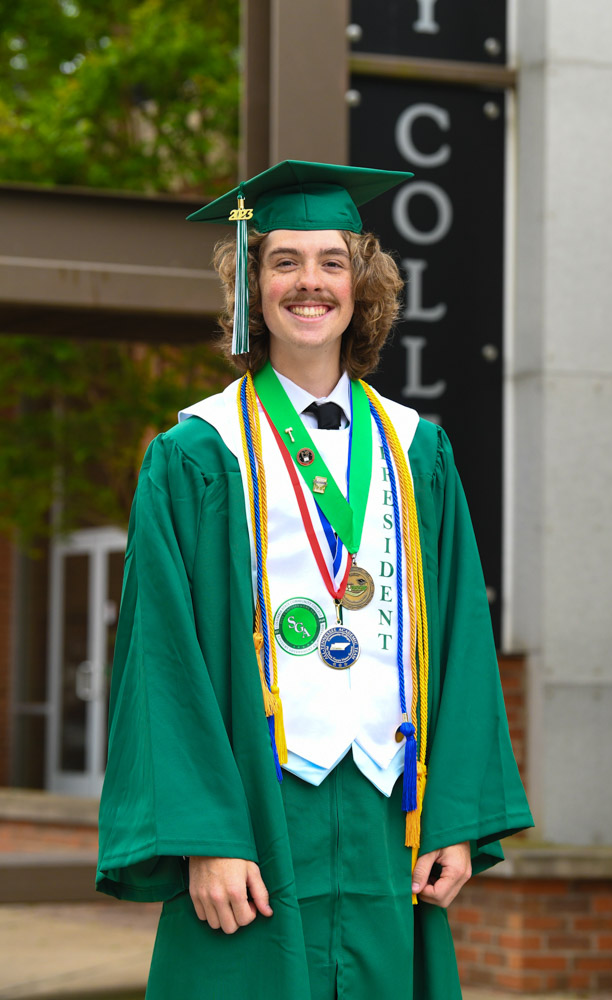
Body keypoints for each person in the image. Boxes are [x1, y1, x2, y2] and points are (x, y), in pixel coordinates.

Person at [97, 160, 533, 1000]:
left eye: (332, 261)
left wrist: (454, 823)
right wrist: (206, 837)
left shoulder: (418, 452)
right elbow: (163, 660)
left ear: (360, 282)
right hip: (257, 812)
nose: (310, 283)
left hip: (384, 809)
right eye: (283, 261)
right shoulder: (197, 455)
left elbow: (459, 641)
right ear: (250, 287)